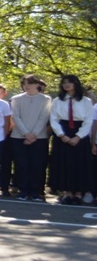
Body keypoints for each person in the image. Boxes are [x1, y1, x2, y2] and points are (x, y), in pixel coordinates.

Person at [49, 75, 93, 205]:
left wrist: (78, 136)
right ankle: (66, 192)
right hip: (63, 133)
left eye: (69, 83)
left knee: (79, 164)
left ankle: (78, 193)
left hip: (79, 134)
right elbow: (54, 119)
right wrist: (62, 135)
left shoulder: (85, 101)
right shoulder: (57, 101)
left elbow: (88, 121)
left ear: (76, 84)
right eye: (64, 83)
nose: (66, 85)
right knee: (64, 163)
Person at [10, 74, 51, 201]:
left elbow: (44, 117)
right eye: (24, 83)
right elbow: (15, 116)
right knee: (21, 164)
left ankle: (36, 191)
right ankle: (23, 190)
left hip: (39, 137)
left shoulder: (45, 99)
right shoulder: (16, 99)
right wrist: (26, 134)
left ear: (37, 84)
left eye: (29, 83)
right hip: (19, 137)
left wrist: (33, 134)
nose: (26, 86)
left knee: (37, 165)